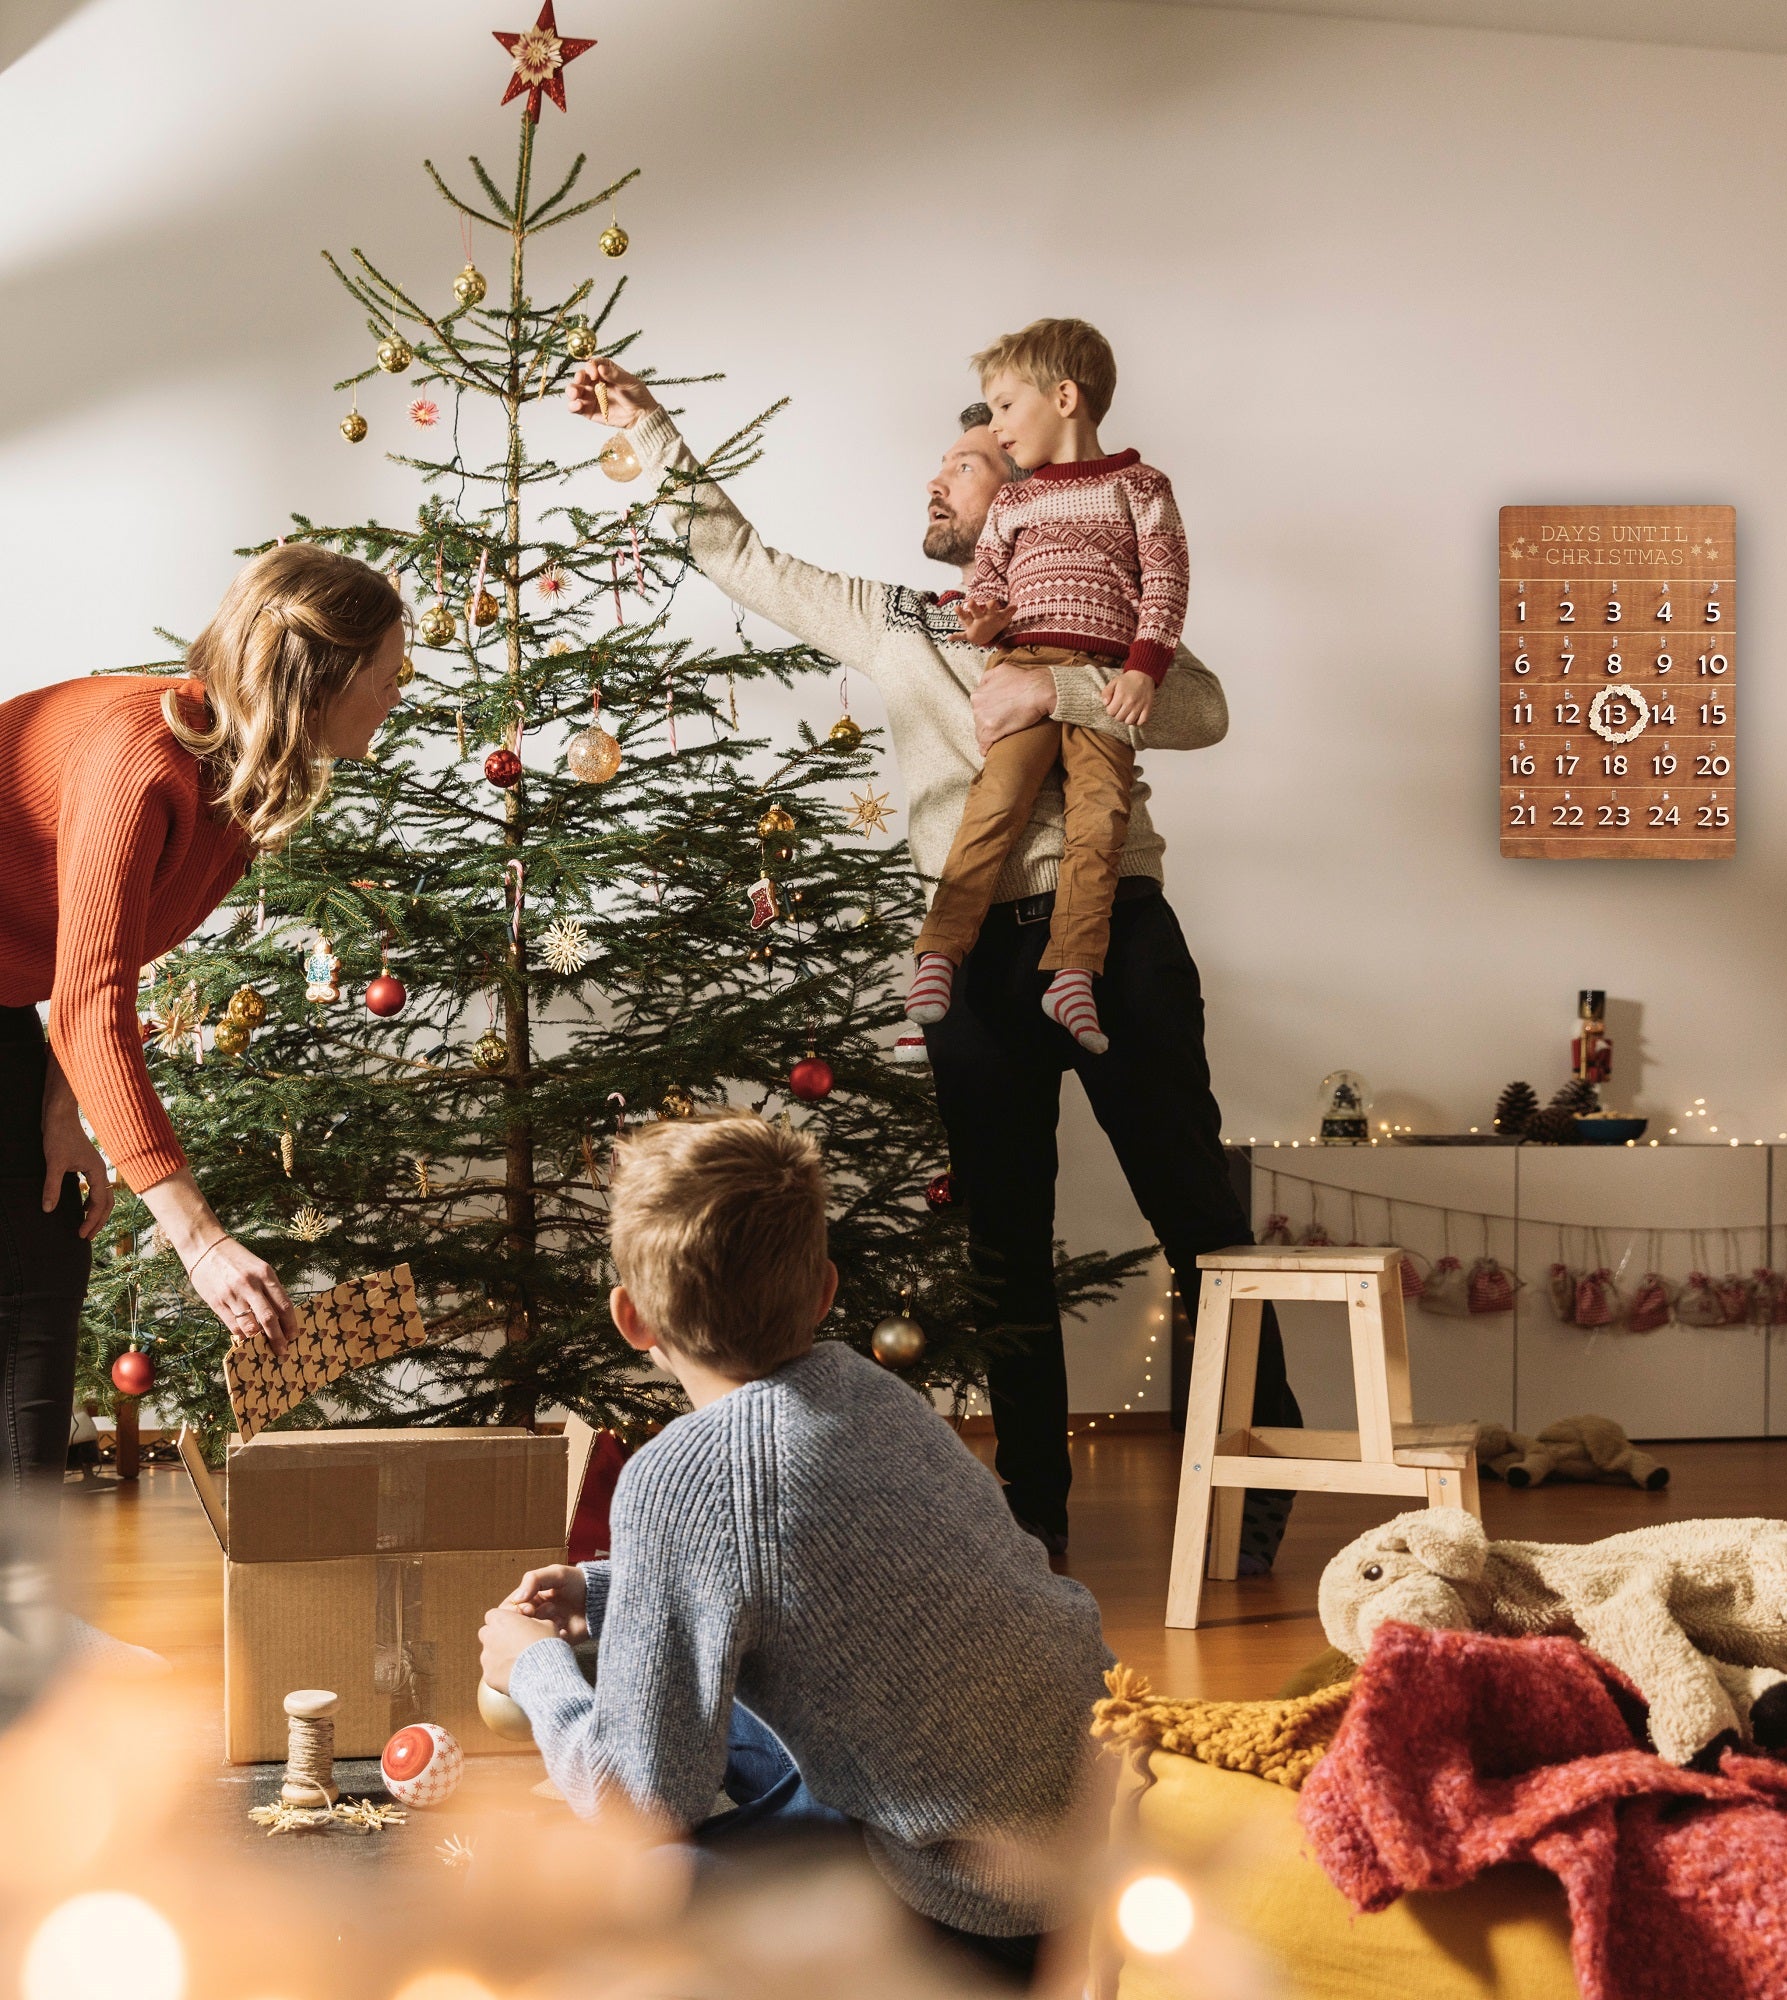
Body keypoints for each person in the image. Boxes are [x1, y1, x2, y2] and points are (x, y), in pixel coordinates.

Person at [563, 358, 1299, 1568]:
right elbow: (741, 555)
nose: (937, 484)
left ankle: (1260, 1489)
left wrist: (1054, 681)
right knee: (1004, 1237)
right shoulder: (894, 616)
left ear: (1027, 503)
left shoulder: (1116, 625)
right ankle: (1035, 1515)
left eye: (963, 466)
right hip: (971, 961)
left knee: (1199, 1216)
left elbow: (1202, 707)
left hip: (1116, 929)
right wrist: (648, 426)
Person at [478, 1113, 1112, 1988]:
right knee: (726, 1699)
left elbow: (645, 1805)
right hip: (1099, 1844)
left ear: (630, 1318)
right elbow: (804, 1568)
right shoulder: (871, 1389)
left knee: (597, 1878)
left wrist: (535, 1669)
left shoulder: (677, 1477)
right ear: (823, 1291)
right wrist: (606, 1589)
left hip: (977, 1912)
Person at [0, 544, 408, 1490]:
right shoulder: (138, 756)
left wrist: (65, 1111)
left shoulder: (238, 784)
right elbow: (95, 1000)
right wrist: (203, 1241)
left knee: (45, 1248)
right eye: (386, 676)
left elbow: (105, 954)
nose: (395, 694)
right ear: (323, 676)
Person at [907, 318, 1187, 1056]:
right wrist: (987, 624)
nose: (998, 427)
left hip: (1101, 674)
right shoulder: (1013, 505)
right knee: (994, 803)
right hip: (1024, 663)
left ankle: (1073, 973)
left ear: (1065, 397)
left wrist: (1141, 670)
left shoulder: (1140, 486)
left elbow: (1164, 582)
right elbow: (992, 578)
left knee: (1101, 818)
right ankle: (940, 950)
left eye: (1003, 407)